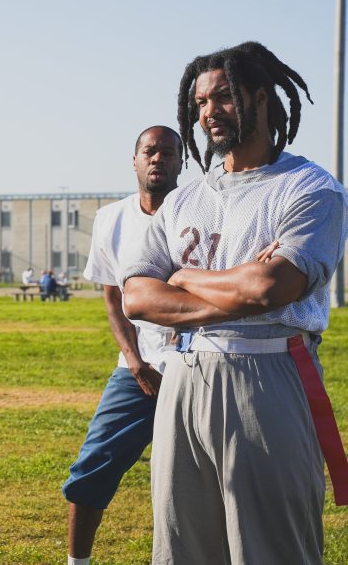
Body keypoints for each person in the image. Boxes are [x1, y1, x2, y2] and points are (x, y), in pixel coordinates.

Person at [123, 42, 348, 564]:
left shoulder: (309, 189)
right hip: (183, 377)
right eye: (201, 102)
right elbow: (137, 294)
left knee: (269, 549)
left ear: (262, 98)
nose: (208, 112)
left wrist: (182, 276)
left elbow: (270, 290)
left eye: (224, 96)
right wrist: (234, 287)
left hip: (266, 374)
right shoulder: (185, 198)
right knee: (183, 547)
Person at [61, 126, 182, 565]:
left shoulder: (201, 211)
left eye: (168, 153)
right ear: (134, 161)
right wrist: (134, 361)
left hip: (197, 366)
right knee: (94, 463)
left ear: (181, 163)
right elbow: (113, 297)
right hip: (139, 370)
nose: (158, 159)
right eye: (149, 152)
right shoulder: (112, 218)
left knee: (201, 476)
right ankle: (78, 561)